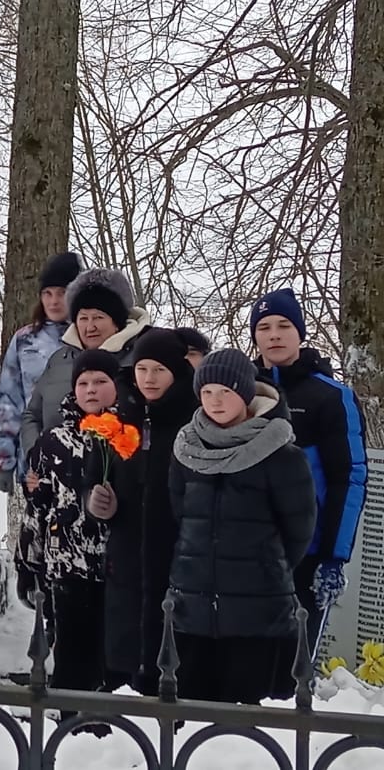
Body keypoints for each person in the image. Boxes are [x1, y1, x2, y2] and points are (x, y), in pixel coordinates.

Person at [168, 348, 316, 704]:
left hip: (258, 612)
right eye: (207, 393)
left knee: (246, 730)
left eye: (225, 392)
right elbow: (179, 515)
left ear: (246, 394)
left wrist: (264, 568)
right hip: (193, 609)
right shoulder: (187, 450)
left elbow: (299, 529)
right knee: (191, 721)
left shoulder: (281, 455)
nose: (215, 401)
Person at [250, 289, 368, 682]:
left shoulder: (331, 396)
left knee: (291, 673)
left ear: (300, 332)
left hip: (307, 550)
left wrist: (334, 556)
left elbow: (348, 477)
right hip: (244, 549)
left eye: (284, 325)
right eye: (264, 327)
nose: (274, 335)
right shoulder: (240, 391)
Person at [86, 328, 196, 693]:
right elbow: (96, 473)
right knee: (124, 640)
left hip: (175, 549)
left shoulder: (191, 422)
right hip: (128, 548)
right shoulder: (119, 420)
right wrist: (98, 501)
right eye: (143, 369)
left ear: (176, 374)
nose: (149, 378)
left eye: (159, 370)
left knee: (170, 644)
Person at [19, 349, 131, 700]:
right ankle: (71, 733)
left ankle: (112, 741)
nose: (91, 390)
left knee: (113, 662)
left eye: (100, 381)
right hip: (67, 568)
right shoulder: (54, 441)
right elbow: (36, 508)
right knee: (72, 660)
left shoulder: (130, 437)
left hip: (117, 570)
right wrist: (28, 562)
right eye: (83, 382)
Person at [0, 252, 81, 600]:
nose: (55, 300)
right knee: (33, 553)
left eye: (62, 292)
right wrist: (2, 458)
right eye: (48, 293)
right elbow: (8, 400)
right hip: (32, 463)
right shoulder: (25, 339)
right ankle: (38, 618)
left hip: (77, 465)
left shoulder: (89, 334)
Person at [21, 267, 152, 452]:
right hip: (56, 473)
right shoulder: (60, 360)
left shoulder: (141, 361)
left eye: (98, 317)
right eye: (83, 318)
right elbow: (32, 415)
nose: (90, 327)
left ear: (117, 322)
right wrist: (36, 457)